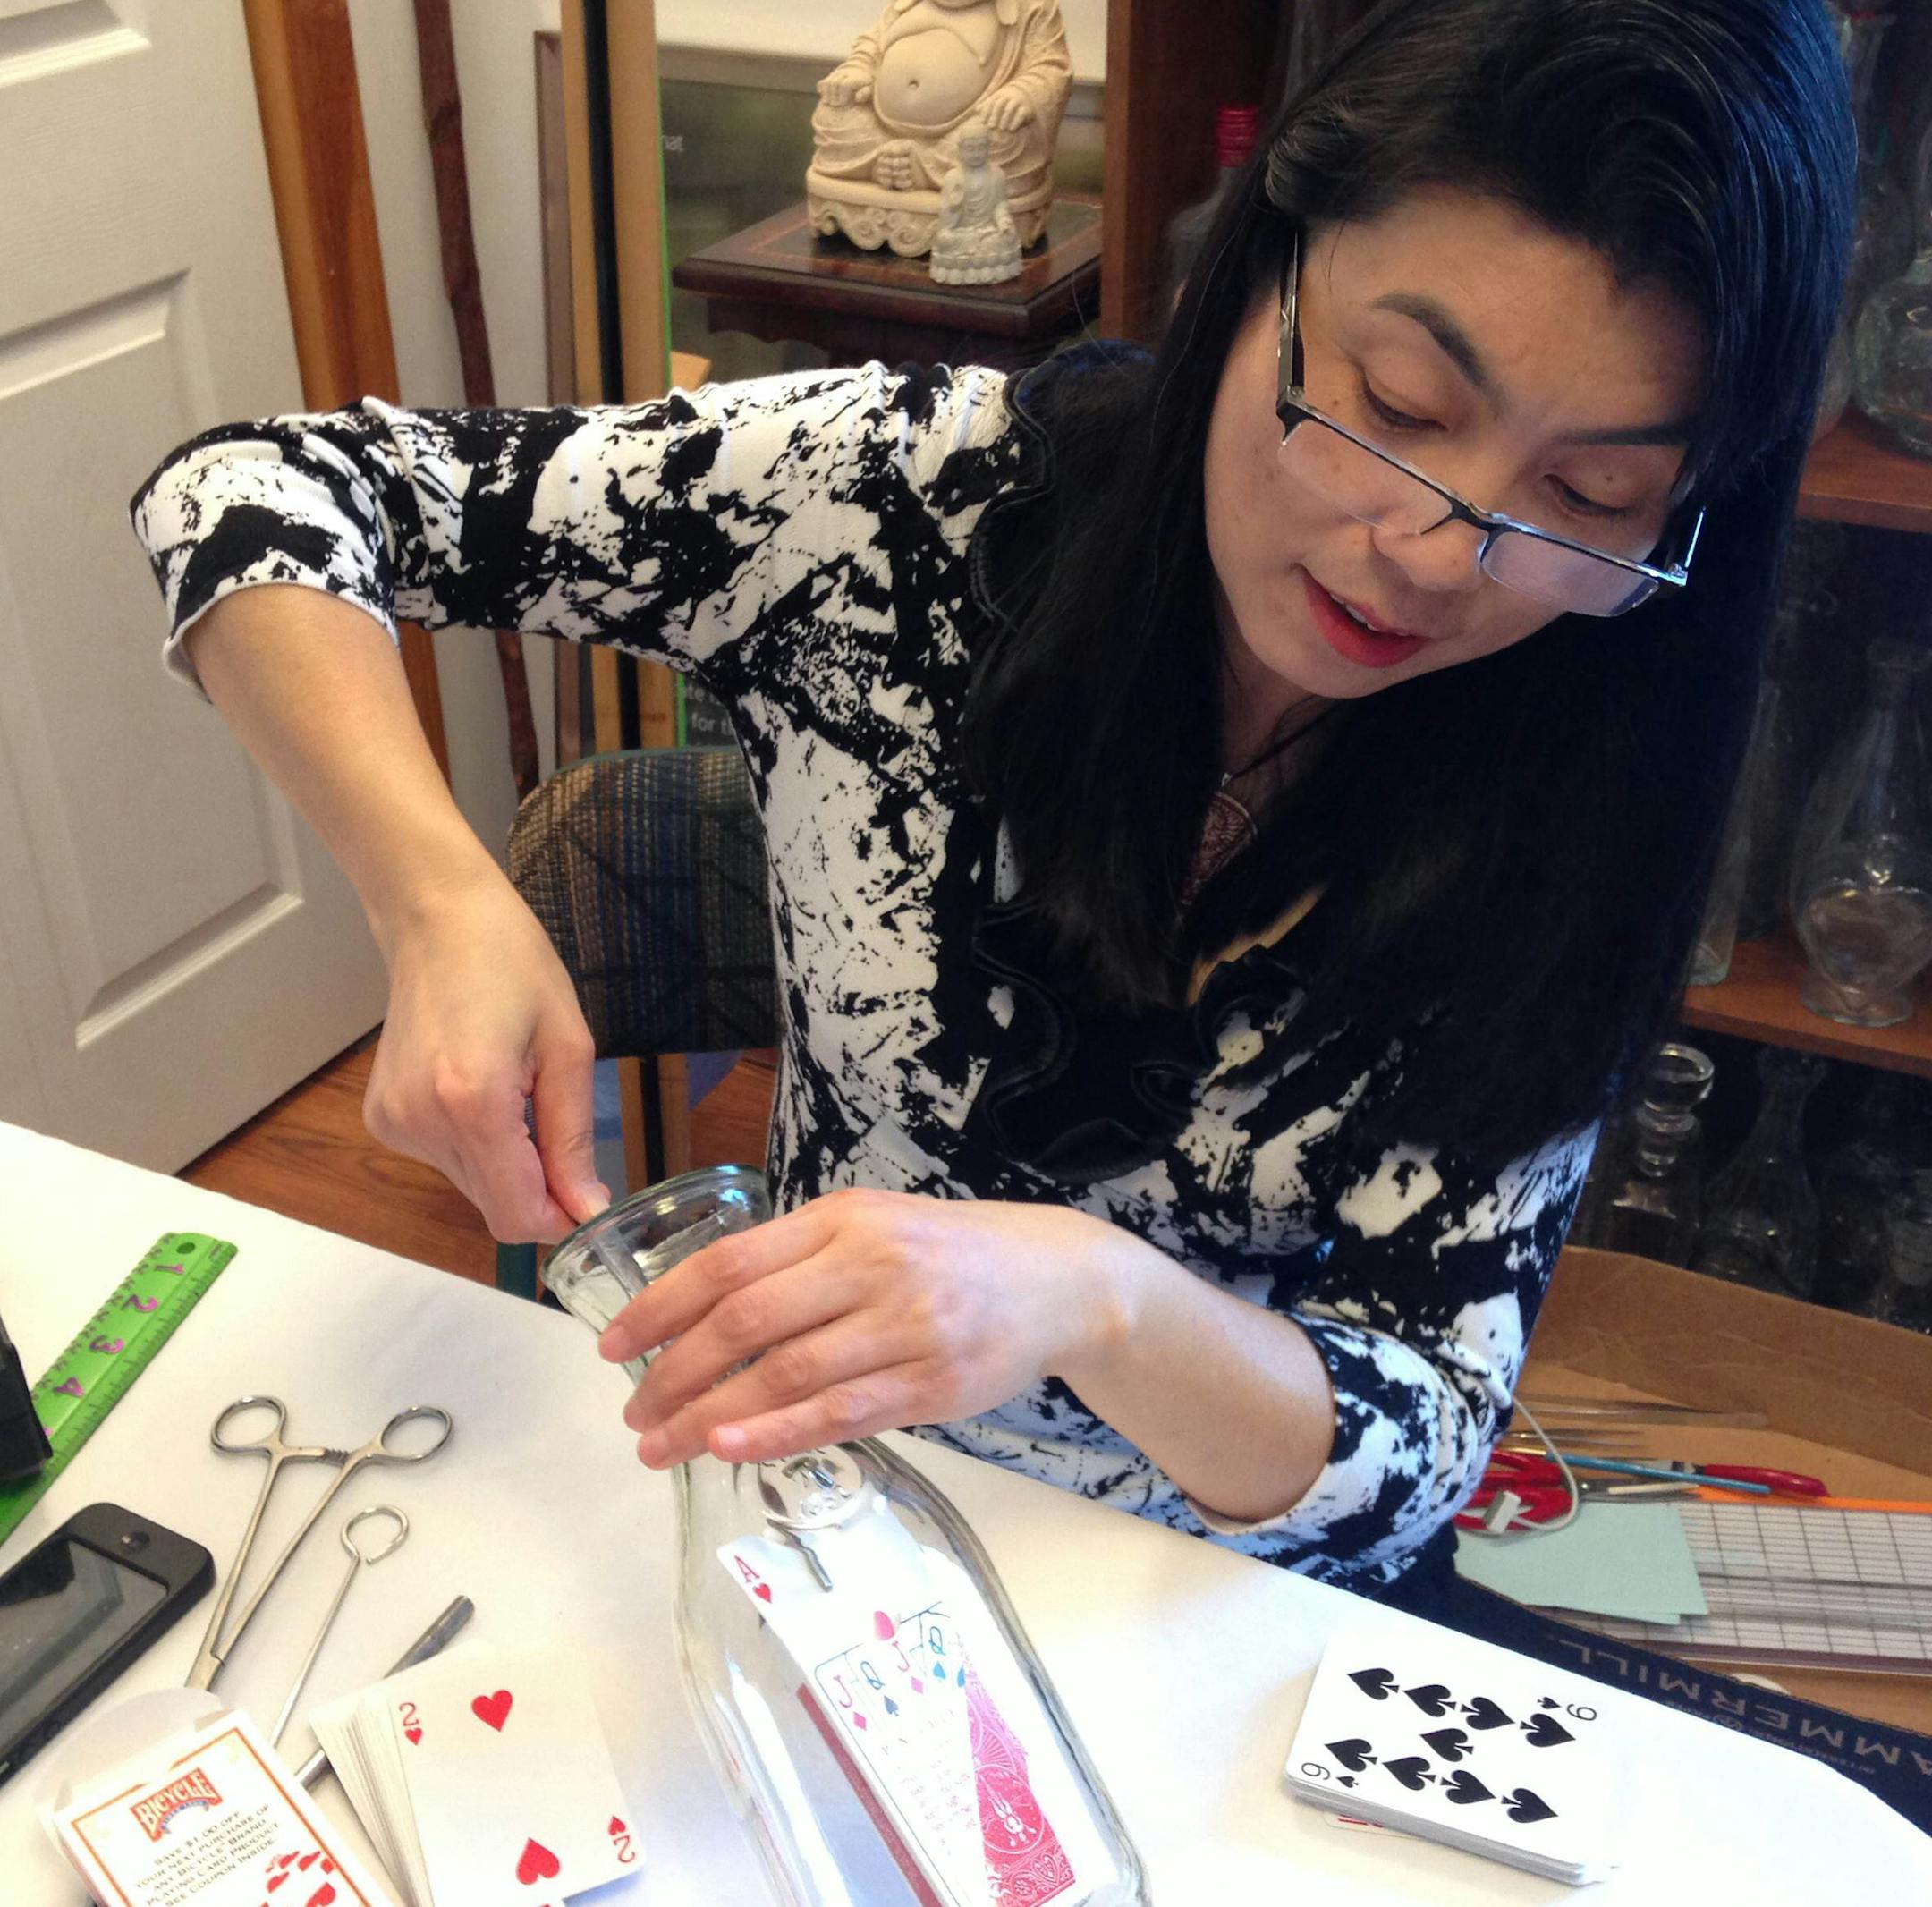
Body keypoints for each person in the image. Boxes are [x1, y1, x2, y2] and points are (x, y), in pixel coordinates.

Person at [129, 0, 1852, 1598]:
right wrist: (434, 897)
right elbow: (260, 490)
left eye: (1589, 494)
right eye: (1400, 405)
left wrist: (1091, 1297)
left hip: (1213, 1617)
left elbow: (1421, 1435)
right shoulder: (897, 509)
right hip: (814, 1508)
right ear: (1257, 266)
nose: (1435, 552)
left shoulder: (1596, 755)